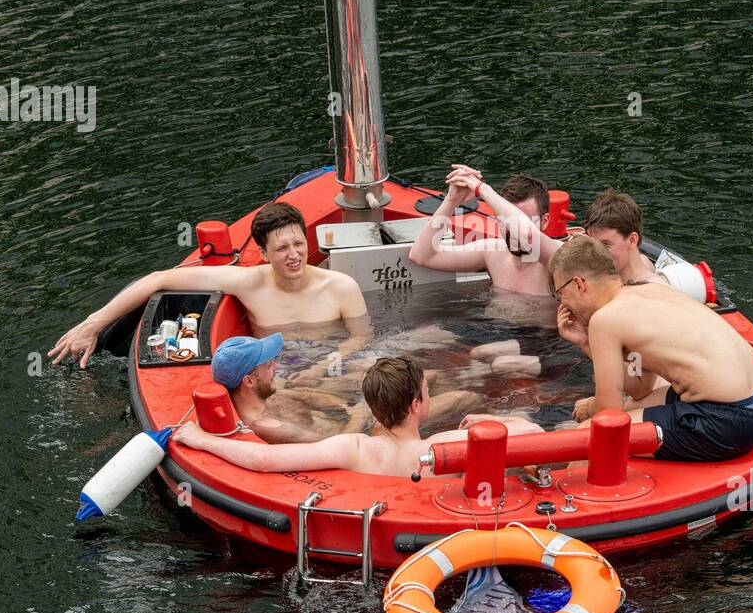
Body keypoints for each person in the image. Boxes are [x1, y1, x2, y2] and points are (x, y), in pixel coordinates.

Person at [50, 202, 370, 368]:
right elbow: (160, 279)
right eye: (282, 249)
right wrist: (93, 324)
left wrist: (327, 365)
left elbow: (362, 338)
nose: (294, 255)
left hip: (332, 367)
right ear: (262, 254)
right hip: (275, 373)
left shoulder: (341, 287)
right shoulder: (250, 283)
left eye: (298, 244)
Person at [549, 235, 753, 462]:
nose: (563, 305)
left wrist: (592, 407)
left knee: (586, 438)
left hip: (725, 423)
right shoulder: (648, 289)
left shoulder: (604, 320)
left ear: (579, 284)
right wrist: (586, 343)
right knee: (634, 404)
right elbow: (641, 388)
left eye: (560, 294)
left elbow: (610, 415)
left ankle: (577, 495)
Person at [174, 356, 541, 477]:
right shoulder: (444, 448)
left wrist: (199, 438)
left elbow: (263, 458)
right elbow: (533, 431)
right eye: (427, 393)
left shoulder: (355, 448)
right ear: (416, 405)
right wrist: (491, 423)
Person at [212, 333, 490, 442]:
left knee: (431, 377)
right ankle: (491, 400)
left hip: (353, 416)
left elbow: (309, 396)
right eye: (268, 364)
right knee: (461, 399)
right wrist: (360, 413)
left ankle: (471, 373)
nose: (276, 366)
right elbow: (333, 448)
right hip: (367, 433)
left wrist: (343, 403)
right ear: (248, 380)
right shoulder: (270, 427)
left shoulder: (267, 394)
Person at [408, 166, 562, 298]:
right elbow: (422, 255)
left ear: (545, 221)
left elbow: (528, 236)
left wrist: (482, 189)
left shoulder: (561, 255)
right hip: (494, 328)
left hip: (542, 332)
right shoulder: (492, 253)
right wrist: (452, 200)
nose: (514, 232)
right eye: (507, 220)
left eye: (523, 220)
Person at [582, 189, 664, 284]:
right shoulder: (643, 262)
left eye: (605, 244)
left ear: (632, 240)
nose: (596, 253)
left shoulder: (653, 290)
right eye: (593, 243)